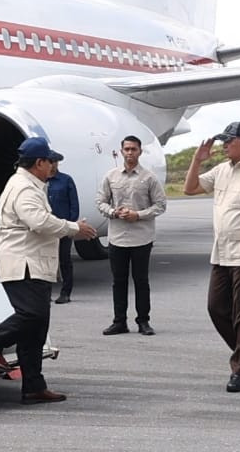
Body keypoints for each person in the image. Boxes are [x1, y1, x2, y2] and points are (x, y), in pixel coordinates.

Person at [0, 136, 97, 405]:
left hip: (33, 263)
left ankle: (33, 387)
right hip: (23, 263)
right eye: (50, 161)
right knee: (32, 315)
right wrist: (74, 228)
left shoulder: (31, 185)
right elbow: (39, 221)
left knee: (36, 329)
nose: (53, 166)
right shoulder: (24, 187)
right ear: (39, 162)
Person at [183, 121, 240, 393]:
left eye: (229, 141)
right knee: (216, 307)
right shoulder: (223, 170)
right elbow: (190, 188)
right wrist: (197, 160)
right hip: (222, 251)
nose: (224, 146)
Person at [96, 135, 168, 336]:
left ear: (140, 152)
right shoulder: (111, 176)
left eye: (133, 149)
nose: (129, 152)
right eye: (126, 149)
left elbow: (160, 205)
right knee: (118, 281)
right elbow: (100, 201)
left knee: (141, 281)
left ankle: (143, 321)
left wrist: (138, 215)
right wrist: (113, 212)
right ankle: (119, 321)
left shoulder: (149, 178)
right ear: (121, 152)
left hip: (141, 238)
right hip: (117, 238)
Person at [46, 159, 79, 304]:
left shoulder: (66, 180)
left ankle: (66, 292)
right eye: (49, 162)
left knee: (64, 259)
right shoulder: (41, 181)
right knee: (46, 260)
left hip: (63, 227)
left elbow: (74, 205)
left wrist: (71, 225)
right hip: (46, 227)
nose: (52, 165)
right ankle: (46, 292)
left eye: (54, 162)